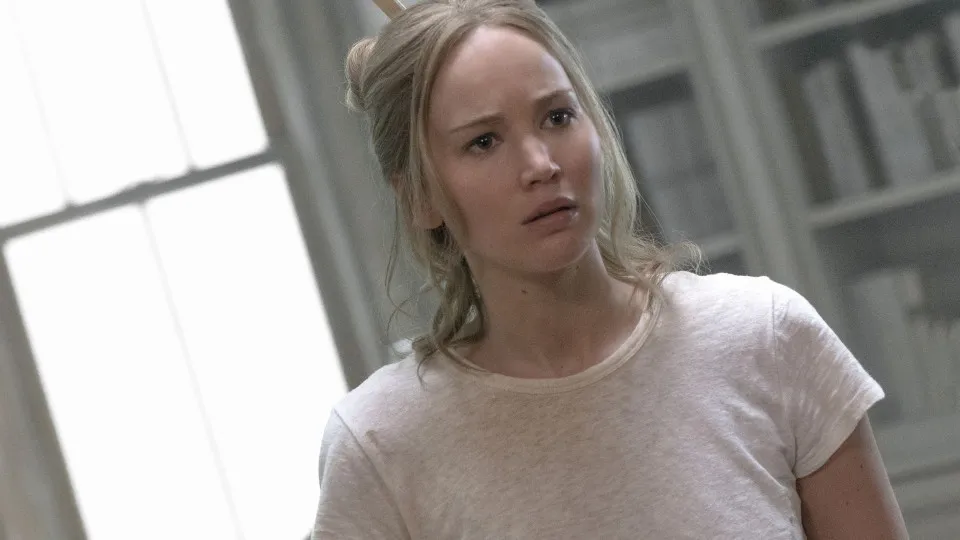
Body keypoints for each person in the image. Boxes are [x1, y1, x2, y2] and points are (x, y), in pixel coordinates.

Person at [311, 1, 908, 538]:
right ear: (419, 197)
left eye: (556, 117)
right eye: (484, 142)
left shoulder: (766, 335)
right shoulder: (379, 445)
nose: (541, 164)